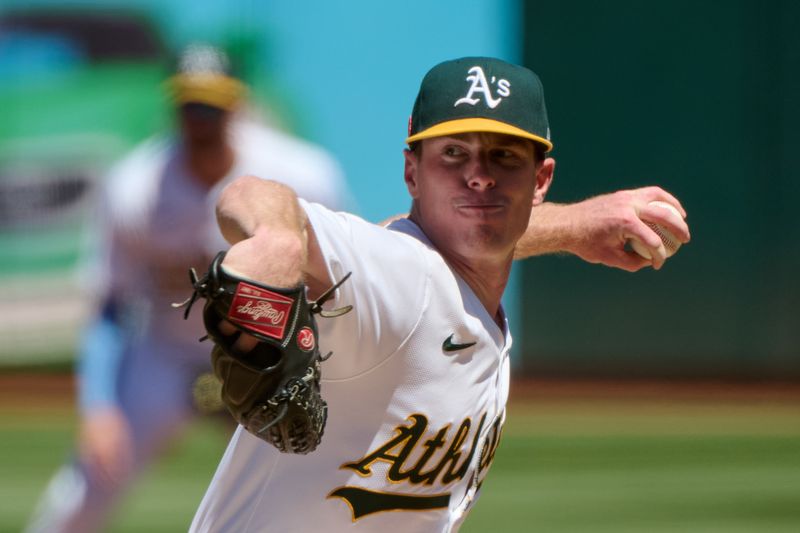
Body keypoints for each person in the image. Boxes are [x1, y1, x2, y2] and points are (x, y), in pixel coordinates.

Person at [187, 56, 690, 532]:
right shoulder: (403, 278)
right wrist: (276, 241)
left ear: (541, 180)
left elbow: (479, 230)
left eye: (504, 155)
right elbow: (248, 194)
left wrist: (577, 225)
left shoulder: (460, 286)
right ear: (411, 172)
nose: (478, 174)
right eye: (453, 153)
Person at [24, 43, 351, 533]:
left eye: (213, 104)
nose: (201, 116)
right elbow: (110, 304)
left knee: (316, 486)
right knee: (89, 482)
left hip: (264, 357)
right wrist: (99, 408)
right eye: (191, 104)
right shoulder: (135, 186)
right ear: (173, 106)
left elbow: (344, 281)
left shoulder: (304, 174)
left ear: (237, 104)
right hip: (163, 355)